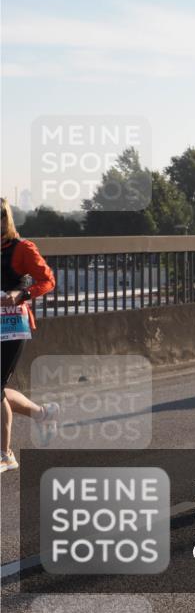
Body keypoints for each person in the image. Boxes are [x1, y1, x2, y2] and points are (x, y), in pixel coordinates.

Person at [1, 197, 59, 473]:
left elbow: (47, 280)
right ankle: (42, 414)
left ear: (4, 219)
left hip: (12, 327)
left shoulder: (22, 248)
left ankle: (5, 455)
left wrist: (22, 294)